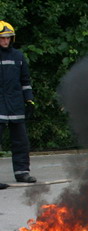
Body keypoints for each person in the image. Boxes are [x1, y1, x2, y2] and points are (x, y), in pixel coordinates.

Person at [0, 21, 36, 190]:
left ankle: (22, 173)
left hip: (15, 104)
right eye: (2, 38)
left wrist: (29, 100)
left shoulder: (18, 56)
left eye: (8, 38)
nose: (5, 41)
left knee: (21, 141)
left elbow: (25, 81)